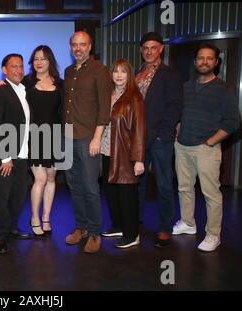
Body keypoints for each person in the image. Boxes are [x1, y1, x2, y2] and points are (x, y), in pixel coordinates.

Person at [173, 42, 241, 252]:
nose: (204, 62)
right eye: (200, 58)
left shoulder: (223, 89)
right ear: (195, 62)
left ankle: (213, 235)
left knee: (211, 193)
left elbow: (233, 121)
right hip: (182, 146)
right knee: (184, 188)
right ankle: (188, 223)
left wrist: (211, 142)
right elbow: (180, 112)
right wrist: (178, 130)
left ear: (216, 62)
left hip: (207, 149)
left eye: (209, 58)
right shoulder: (185, 87)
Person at [63, 31, 112, 253]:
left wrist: (96, 138)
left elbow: (104, 107)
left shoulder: (100, 70)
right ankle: (81, 227)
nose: (78, 48)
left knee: (91, 187)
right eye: (74, 44)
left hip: (87, 138)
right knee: (74, 186)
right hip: (68, 137)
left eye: (82, 44)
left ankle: (94, 233)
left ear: (90, 46)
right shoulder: (69, 71)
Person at [136, 32, 183, 248]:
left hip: (160, 138)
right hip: (138, 137)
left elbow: (175, 107)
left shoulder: (169, 74)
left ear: (161, 49)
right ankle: (135, 221)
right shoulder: (138, 73)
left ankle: (165, 228)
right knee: (138, 182)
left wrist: (164, 134)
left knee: (164, 184)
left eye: (153, 47)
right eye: (145, 47)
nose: (149, 51)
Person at [0, 53, 32, 254]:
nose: (19, 70)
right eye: (14, 66)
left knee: (19, 195)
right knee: (2, 198)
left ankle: (12, 228)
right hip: (5, 156)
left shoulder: (23, 90)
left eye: (21, 66)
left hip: (22, 155)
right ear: (4, 70)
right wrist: (5, 157)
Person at [100, 59, 145, 248]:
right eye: (115, 71)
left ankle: (132, 234)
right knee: (112, 193)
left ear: (129, 75)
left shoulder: (134, 97)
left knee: (127, 195)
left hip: (125, 153)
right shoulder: (109, 94)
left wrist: (138, 159)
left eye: (123, 72)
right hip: (106, 150)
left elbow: (139, 129)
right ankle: (118, 226)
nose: (118, 75)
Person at [23, 45, 63, 237]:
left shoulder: (60, 83)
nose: (39, 62)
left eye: (43, 58)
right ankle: (34, 218)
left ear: (50, 61)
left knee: (51, 178)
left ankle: (46, 217)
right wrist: (0, 84)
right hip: (34, 136)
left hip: (54, 135)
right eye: (36, 58)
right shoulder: (26, 82)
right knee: (39, 179)